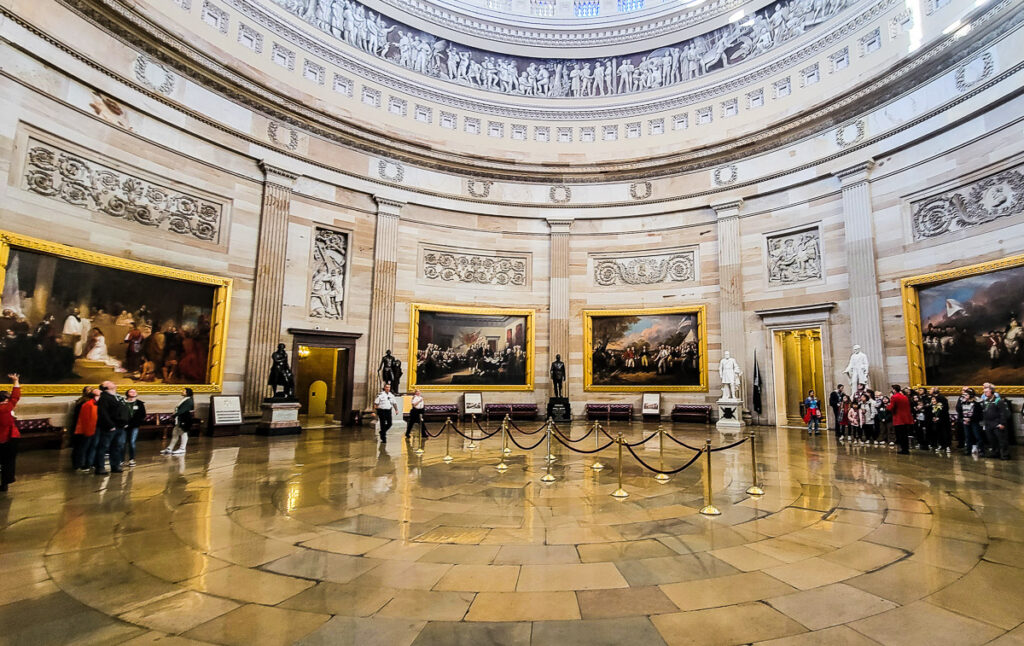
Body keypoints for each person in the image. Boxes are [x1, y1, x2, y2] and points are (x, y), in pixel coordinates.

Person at [94, 381, 128, 474]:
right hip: (110, 427)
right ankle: (100, 467)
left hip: (120, 426)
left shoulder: (117, 397)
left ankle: (115, 465)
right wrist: (110, 425)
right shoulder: (104, 397)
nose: (112, 382)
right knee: (103, 447)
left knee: (117, 447)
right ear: (105, 387)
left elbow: (124, 410)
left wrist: (125, 422)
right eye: (108, 382)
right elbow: (102, 413)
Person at [0, 374, 21, 492]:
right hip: (10, 438)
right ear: (5, 399)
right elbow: (16, 396)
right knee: (8, 462)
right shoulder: (7, 408)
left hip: (2, 439)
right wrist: (16, 381)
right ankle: (5, 483)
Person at [981, 384, 1012, 460]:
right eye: (984, 392)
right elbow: (984, 412)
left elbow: (1003, 413)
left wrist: (1002, 423)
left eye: (987, 392)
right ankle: (995, 452)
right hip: (989, 424)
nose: (985, 393)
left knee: (1002, 440)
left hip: (997, 423)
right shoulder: (986, 401)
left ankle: (1005, 454)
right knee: (992, 440)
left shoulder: (999, 401)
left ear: (992, 392)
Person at [73, 388, 100, 472]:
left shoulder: (94, 403)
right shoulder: (87, 404)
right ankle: (80, 464)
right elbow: (86, 418)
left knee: (91, 446)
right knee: (83, 447)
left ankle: (88, 463)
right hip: (86, 428)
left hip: (93, 428)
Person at [162, 388, 195, 455]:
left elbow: (183, 410)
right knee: (175, 433)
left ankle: (182, 448)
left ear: (187, 393)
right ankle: (170, 448)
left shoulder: (189, 401)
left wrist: (174, 415)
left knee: (183, 433)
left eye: (184, 391)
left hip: (185, 419)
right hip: (180, 419)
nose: (182, 391)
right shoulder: (185, 399)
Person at [957, 387, 984, 456]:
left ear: (971, 395)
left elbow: (979, 413)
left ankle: (981, 450)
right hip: (965, 421)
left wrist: (971, 418)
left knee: (977, 436)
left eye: (966, 395)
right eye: (964, 395)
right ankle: (968, 450)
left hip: (974, 421)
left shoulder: (977, 402)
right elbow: (959, 410)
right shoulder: (963, 401)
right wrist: (963, 418)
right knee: (967, 436)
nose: (964, 396)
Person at [887, 385, 913, 454]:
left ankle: (903, 449)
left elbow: (891, 407)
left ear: (894, 390)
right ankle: (906, 448)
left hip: (898, 418)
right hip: (906, 418)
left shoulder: (894, 397)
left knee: (900, 435)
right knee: (905, 434)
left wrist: (887, 407)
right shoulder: (905, 397)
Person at [124, 388, 146, 467]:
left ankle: (131, 459)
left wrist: (136, 423)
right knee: (122, 443)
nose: (133, 393)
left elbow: (143, 415)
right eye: (131, 391)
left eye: (134, 392)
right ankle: (121, 460)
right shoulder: (123, 402)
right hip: (123, 425)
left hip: (134, 425)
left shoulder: (139, 403)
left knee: (132, 442)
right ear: (127, 393)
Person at [929, 387, 951, 455]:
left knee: (945, 433)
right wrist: (933, 417)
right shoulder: (932, 405)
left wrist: (939, 418)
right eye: (932, 399)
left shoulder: (941, 401)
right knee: (938, 433)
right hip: (936, 421)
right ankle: (941, 445)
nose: (932, 401)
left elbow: (945, 410)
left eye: (934, 399)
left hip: (943, 421)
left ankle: (947, 446)